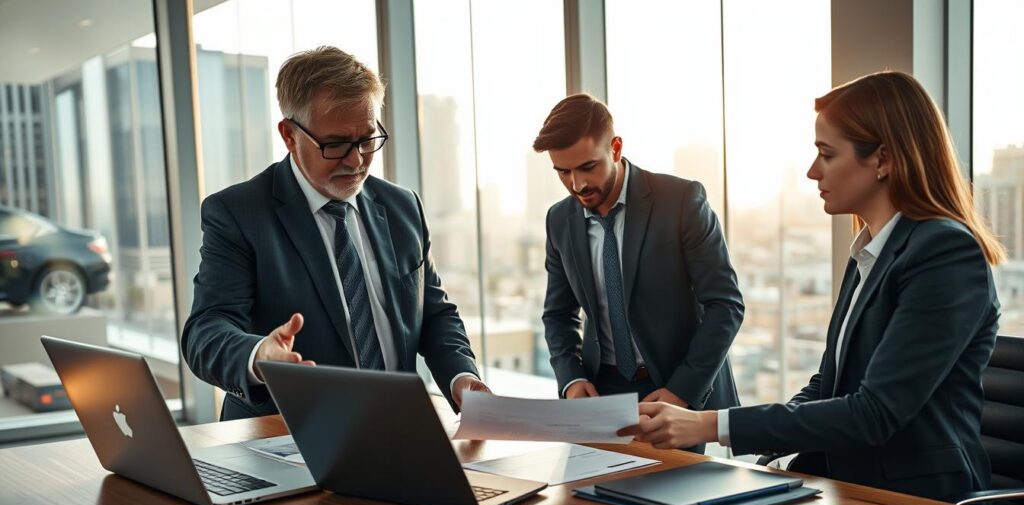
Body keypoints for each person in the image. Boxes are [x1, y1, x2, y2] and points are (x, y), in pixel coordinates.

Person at [620, 71, 1004, 502]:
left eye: (826, 154)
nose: (811, 171)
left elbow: (874, 413)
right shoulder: (871, 252)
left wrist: (710, 425)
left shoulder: (945, 253)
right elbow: (829, 385)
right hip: (848, 488)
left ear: (883, 159)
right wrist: (761, 445)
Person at [181, 46, 487, 420]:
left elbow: (435, 316)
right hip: (285, 438)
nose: (357, 160)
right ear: (290, 135)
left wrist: (461, 376)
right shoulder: (238, 214)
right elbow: (205, 333)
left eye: (367, 139)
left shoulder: (403, 207)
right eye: (337, 144)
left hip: (397, 434)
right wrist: (260, 356)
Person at [535, 94, 744, 454]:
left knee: (678, 503)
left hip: (680, 388)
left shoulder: (681, 201)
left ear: (615, 148)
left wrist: (682, 390)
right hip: (603, 394)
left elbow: (725, 305)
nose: (577, 184)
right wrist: (572, 379)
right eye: (563, 172)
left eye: (587, 167)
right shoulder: (559, 220)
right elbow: (558, 315)